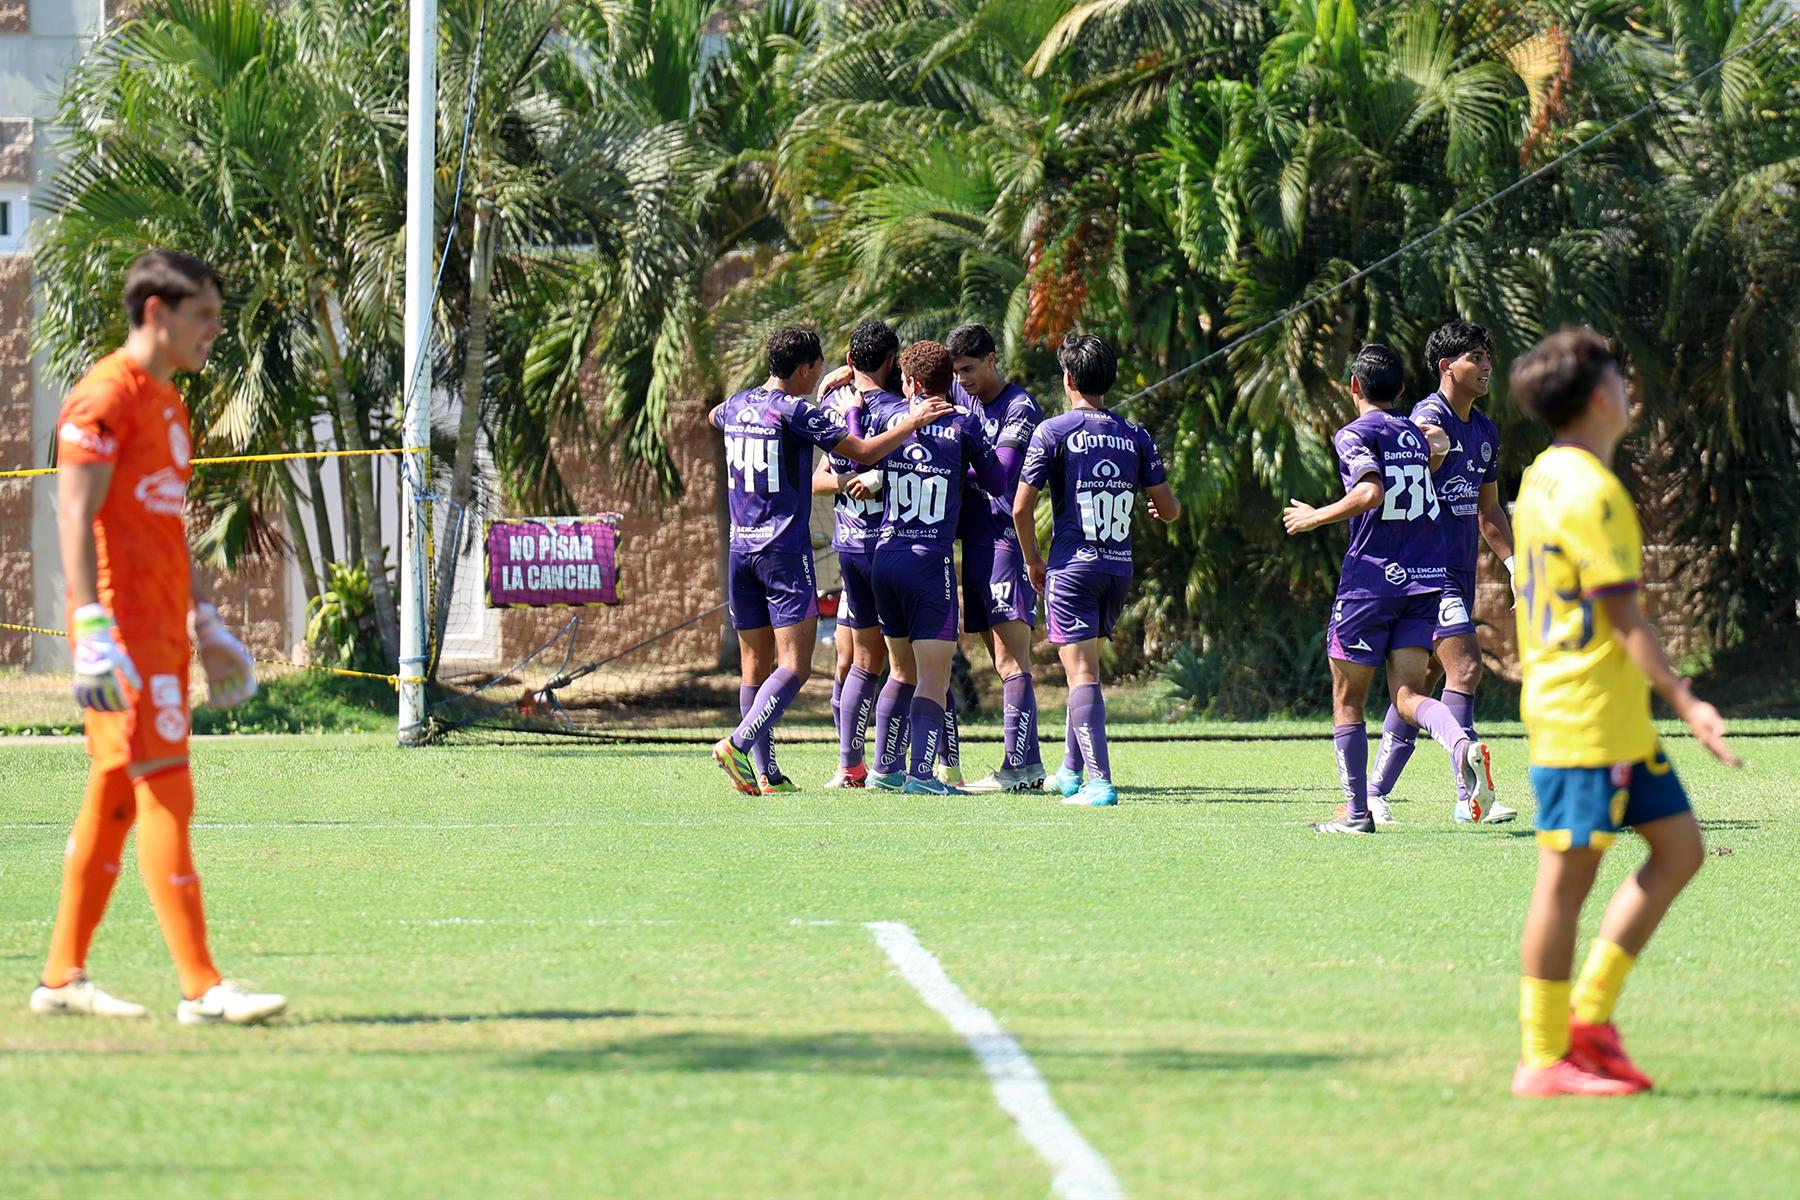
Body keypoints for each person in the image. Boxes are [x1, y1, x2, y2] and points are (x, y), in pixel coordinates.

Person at [31, 249, 286, 1025]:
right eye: (202, 315)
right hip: (121, 634)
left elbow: (165, 521)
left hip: (161, 632)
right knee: (167, 784)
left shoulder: (169, 405)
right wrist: (90, 626)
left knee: (115, 794)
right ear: (156, 314)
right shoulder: (104, 397)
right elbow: (74, 515)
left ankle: (61, 980)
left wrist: (205, 620)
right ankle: (202, 988)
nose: (215, 330)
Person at [1507, 329, 1739, 1097]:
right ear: (1601, 395)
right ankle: (1545, 1059)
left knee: (1679, 850)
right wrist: (1690, 702)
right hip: (1583, 719)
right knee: (1564, 883)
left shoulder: (1543, 475)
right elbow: (1626, 620)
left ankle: (1590, 1022)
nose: (1626, 383)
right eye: (1618, 372)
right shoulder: (1590, 491)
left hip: (1612, 720)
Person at [710, 327, 950, 796]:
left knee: (754, 668)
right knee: (794, 668)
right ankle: (738, 744)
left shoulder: (738, 404)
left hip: (740, 552)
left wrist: (821, 389)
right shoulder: (795, 412)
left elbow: (716, 414)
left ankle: (764, 773)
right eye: (818, 365)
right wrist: (912, 423)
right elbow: (860, 453)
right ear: (804, 368)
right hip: (781, 553)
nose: (823, 371)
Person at [1281, 343, 1495, 834]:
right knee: (1407, 695)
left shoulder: (1354, 433)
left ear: (1353, 387)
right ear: (1401, 390)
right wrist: (1432, 448)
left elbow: (1370, 491)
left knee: (1348, 697)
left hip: (1371, 584)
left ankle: (1357, 814)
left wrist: (1317, 515)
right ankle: (1461, 746)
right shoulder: (1415, 434)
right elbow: (1438, 448)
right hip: (1422, 584)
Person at [1014, 333, 1180, 807]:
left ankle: (1099, 782)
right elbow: (1169, 510)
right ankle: (1070, 771)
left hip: (1072, 567)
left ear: (1067, 378)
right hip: (1117, 569)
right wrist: (1155, 509)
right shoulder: (1135, 434)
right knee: (1085, 668)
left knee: (1081, 673)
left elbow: (1022, 509)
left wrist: (1032, 560)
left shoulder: (1054, 431)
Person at [1367, 320, 1516, 824]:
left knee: (1424, 683)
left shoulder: (1485, 431)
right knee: (1466, 667)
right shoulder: (1427, 418)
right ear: (1446, 366)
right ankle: (1468, 793)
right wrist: (1426, 450)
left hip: (1460, 570)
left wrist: (1515, 565)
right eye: (1475, 356)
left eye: (1488, 355)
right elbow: (1405, 473)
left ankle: (1373, 791)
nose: (1486, 365)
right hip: (1424, 571)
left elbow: (1489, 511)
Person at [866, 341, 1009, 795]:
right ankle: (922, 777)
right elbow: (997, 481)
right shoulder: (962, 423)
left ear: (908, 382)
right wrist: (956, 470)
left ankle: (883, 770)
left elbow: (855, 459)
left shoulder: (886, 420)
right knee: (933, 676)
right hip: (929, 564)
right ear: (948, 382)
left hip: (885, 558)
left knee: (900, 671)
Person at [945, 323, 1047, 793]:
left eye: (968, 369)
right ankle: (1028, 766)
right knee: (1000, 658)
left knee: (1011, 662)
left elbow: (1002, 476)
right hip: (975, 546)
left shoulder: (1020, 407)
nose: (961, 379)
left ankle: (1017, 769)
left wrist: (942, 464)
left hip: (1005, 543)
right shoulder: (959, 397)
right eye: (955, 371)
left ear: (991, 360)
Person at [812, 320, 900, 788]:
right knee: (875, 662)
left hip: (861, 552)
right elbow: (819, 477)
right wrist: (849, 481)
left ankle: (863, 763)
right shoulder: (898, 413)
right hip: (873, 549)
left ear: (849, 362)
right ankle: (863, 763)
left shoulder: (836, 402)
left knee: (866, 662)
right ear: (892, 362)